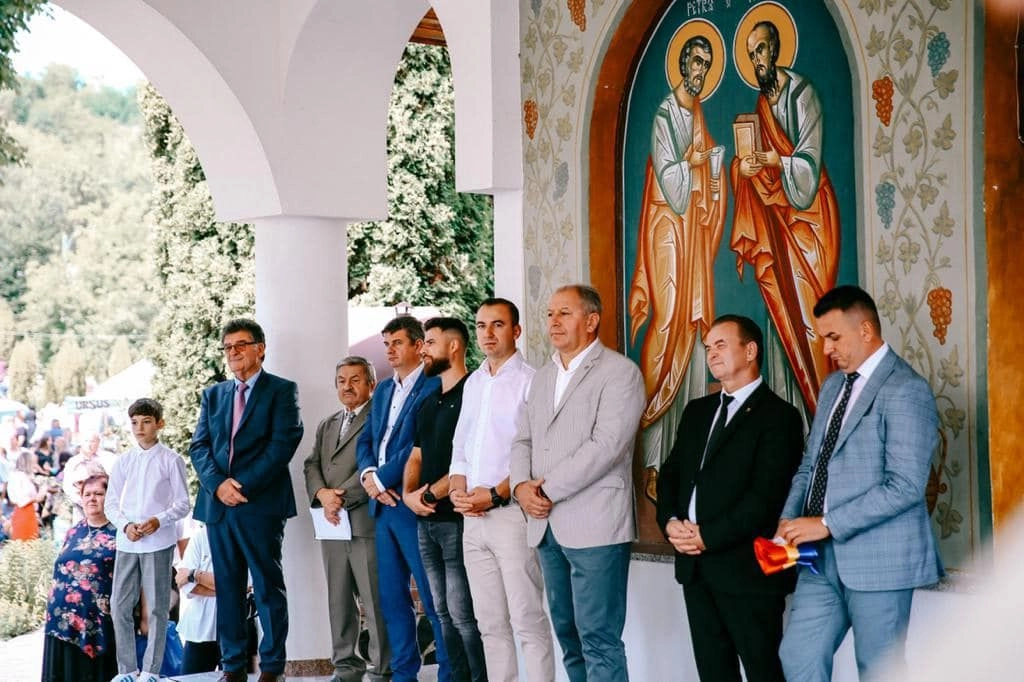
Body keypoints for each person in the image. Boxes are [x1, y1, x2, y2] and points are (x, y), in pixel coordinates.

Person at [775, 285, 941, 680]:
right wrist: (787, 520)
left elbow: (905, 486)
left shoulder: (907, 389)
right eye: (823, 338)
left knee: (878, 670)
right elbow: (810, 465)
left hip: (880, 560)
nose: (827, 349)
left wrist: (826, 523)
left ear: (865, 330)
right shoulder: (833, 386)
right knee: (797, 656)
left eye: (834, 337)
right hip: (817, 558)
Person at [656, 315, 803, 681]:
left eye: (721, 345)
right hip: (695, 569)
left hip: (748, 572)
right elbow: (670, 476)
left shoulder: (780, 416)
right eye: (708, 348)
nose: (711, 354)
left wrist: (707, 535)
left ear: (750, 351)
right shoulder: (697, 411)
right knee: (713, 673)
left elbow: (765, 499)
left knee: (764, 671)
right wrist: (670, 523)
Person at [510, 284, 645, 682]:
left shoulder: (620, 372)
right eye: (550, 313)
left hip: (596, 524)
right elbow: (522, 439)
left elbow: (607, 446)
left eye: (564, 313)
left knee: (598, 637)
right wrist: (520, 488)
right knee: (568, 635)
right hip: (545, 525)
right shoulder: (543, 376)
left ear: (591, 320)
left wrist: (544, 490)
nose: (553, 321)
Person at [629, 33, 728, 495]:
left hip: (693, 235)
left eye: (706, 64)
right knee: (668, 322)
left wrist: (714, 170)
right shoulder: (666, 114)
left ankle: (681, 454)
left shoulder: (698, 115)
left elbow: (707, 191)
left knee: (692, 325)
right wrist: (695, 163)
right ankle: (650, 449)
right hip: (667, 228)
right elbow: (669, 180)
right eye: (695, 61)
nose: (700, 70)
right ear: (683, 64)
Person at [731, 19, 841, 414]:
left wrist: (776, 160)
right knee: (782, 319)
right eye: (751, 55)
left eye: (761, 50)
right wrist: (743, 169)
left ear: (775, 49)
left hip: (810, 221)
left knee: (811, 319)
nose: (757, 60)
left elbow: (808, 164)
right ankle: (798, 415)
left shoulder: (802, 94)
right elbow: (754, 165)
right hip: (778, 223)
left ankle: (824, 409)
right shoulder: (761, 106)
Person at [189, 318, 304, 682]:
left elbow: (283, 443)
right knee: (228, 588)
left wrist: (239, 485)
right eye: (227, 347)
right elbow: (199, 446)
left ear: (260, 348)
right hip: (218, 506)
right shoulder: (214, 395)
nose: (233, 352)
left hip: (260, 505)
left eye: (241, 345)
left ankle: (272, 667)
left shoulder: (282, 390)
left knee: (268, 587)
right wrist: (218, 485)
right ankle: (233, 666)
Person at [449, 298, 555, 682]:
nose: (488, 333)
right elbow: (461, 446)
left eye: (498, 324)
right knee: (489, 623)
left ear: (516, 330)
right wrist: (458, 491)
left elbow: (536, 452)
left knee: (527, 618)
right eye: (481, 325)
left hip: (511, 514)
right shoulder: (474, 381)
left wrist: (493, 495)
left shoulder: (532, 380)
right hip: (472, 518)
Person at [356, 315, 450, 682]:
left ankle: (448, 672)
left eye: (397, 343)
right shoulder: (382, 390)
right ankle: (403, 673)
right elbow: (368, 439)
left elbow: (417, 444)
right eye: (386, 344)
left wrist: (382, 479)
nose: (390, 350)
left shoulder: (433, 385)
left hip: (412, 503)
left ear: (418, 345)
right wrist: (369, 476)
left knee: (431, 595)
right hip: (382, 506)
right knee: (392, 597)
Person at [401, 317, 486, 682]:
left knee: (465, 615)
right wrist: (408, 495)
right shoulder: (427, 401)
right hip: (426, 521)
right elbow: (416, 456)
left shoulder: (474, 393)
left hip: (458, 520)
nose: (423, 349)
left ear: (453, 346)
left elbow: (467, 460)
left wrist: (428, 493)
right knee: (440, 612)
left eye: (430, 342)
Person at [303, 356, 391, 682]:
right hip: (332, 525)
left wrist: (339, 497)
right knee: (339, 602)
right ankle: (346, 667)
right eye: (341, 380)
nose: (347, 386)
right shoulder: (328, 424)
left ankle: (382, 668)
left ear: (371, 384)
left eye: (355, 380)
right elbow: (311, 464)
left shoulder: (380, 419)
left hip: (364, 522)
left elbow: (378, 464)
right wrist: (322, 494)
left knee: (374, 600)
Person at [106, 398, 191, 682]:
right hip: (127, 542)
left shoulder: (171, 460)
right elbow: (111, 503)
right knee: (119, 605)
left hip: (158, 542)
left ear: (159, 424)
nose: (139, 428)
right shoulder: (124, 461)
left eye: (146, 422)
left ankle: (152, 671)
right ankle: (127, 670)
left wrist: (159, 520)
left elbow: (183, 503)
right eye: (134, 422)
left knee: (156, 608)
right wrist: (125, 525)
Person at [41, 473, 118, 682]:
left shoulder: (119, 533)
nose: (92, 498)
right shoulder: (74, 531)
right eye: (87, 494)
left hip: (96, 623)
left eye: (98, 494)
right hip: (60, 621)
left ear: (110, 496)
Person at [175, 523, 221, 674]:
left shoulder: (246, 534)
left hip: (236, 628)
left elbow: (244, 585)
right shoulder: (201, 536)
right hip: (200, 627)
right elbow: (186, 584)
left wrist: (195, 575)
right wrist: (227, 588)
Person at [63, 433, 114, 524]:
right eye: (86, 441)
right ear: (81, 443)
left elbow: (115, 481)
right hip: (80, 507)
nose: (89, 444)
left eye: (92, 441)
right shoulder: (73, 462)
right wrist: (83, 502)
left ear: (98, 442)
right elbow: (67, 486)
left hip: (105, 506)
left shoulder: (108, 458)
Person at [7, 449, 44, 540]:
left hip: (28, 512)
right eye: (33, 463)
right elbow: (22, 500)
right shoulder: (20, 477)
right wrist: (39, 495)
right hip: (24, 513)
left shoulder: (19, 476)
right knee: (26, 541)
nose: (35, 465)